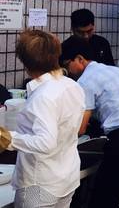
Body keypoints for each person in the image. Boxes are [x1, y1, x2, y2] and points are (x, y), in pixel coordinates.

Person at [60, 35, 119, 208]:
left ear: (79, 59)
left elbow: (80, 128)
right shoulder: (115, 70)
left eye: (66, 65)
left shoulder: (85, 81)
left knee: (104, 197)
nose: (68, 71)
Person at [0, 30, 85, 208]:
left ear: (24, 62)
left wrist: (8, 138)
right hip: (67, 177)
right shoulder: (72, 85)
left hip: (39, 185)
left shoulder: (43, 96)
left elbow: (45, 143)